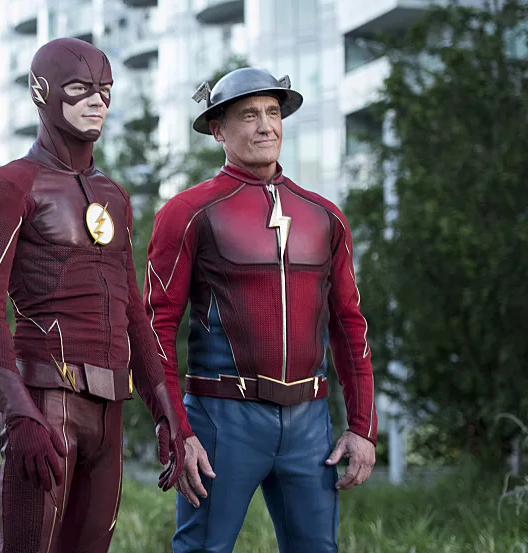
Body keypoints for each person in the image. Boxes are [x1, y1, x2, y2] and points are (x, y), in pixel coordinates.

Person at [0, 37, 184, 553]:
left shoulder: (114, 196)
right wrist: (19, 411)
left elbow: (132, 313)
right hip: (45, 401)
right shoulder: (7, 186)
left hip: (110, 410)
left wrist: (166, 409)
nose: (97, 101)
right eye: (80, 88)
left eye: (105, 89)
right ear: (42, 91)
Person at [144, 67, 378, 553]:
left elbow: (349, 327)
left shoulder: (325, 216)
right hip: (220, 420)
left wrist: (362, 427)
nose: (266, 126)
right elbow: (155, 328)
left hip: (310, 425)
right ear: (218, 129)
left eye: (273, 112)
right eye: (249, 115)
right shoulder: (187, 213)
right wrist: (177, 432)